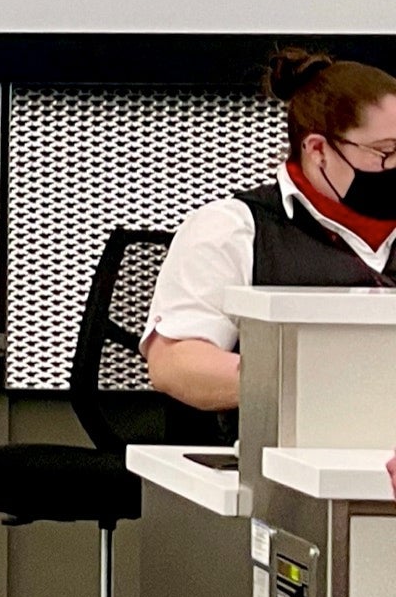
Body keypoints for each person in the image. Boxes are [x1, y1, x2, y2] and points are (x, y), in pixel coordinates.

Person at [144, 48, 396, 415]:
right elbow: (173, 361)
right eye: (384, 153)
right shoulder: (234, 229)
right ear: (318, 150)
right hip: (265, 459)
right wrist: (305, 383)